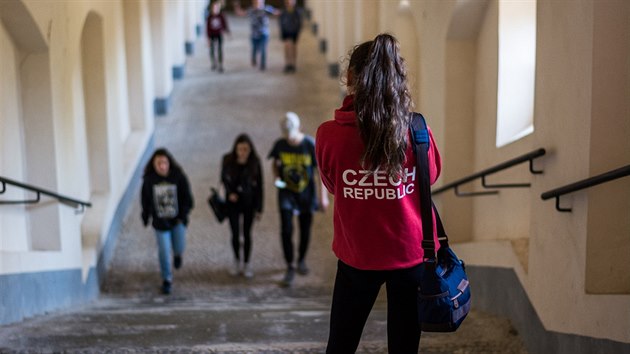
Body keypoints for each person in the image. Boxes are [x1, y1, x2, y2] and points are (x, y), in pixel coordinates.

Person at [315, 34, 442, 353]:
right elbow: (432, 177)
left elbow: (334, 186)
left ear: (350, 78)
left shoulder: (330, 136)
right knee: (404, 346)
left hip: (358, 256)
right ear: (397, 78)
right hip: (411, 255)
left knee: (341, 343)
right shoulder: (417, 131)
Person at [268, 112, 328, 287]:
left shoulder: (309, 144)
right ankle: (290, 265)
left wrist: (322, 197)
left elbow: (320, 172)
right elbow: (274, 162)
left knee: (305, 229)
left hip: (306, 195)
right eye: (287, 137)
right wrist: (276, 177)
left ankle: (301, 259)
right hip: (286, 193)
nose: (290, 140)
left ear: (299, 128)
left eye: (292, 137)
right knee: (286, 229)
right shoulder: (280, 145)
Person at [141, 148, 194, 295]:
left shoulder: (179, 177)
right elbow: (145, 200)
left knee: (179, 246)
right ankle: (167, 279)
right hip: (160, 223)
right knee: (164, 250)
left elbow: (188, 198)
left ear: (169, 163)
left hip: (177, 221)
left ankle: (177, 255)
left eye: (164, 162)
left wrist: (182, 217)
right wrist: (146, 216)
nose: (162, 166)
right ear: (154, 164)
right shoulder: (149, 180)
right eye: (158, 163)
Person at [220, 133, 263, 278]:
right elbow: (223, 180)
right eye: (240, 149)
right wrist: (229, 193)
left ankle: (247, 262)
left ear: (250, 149)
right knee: (235, 233)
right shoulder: (227, 160)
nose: (242, 152)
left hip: (249, 203)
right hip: (233, 203)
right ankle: (236, 260)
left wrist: (259, 208)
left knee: (246, 234)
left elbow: (260, 187)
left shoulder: (255, 162)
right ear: (235, 149)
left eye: (245, 149)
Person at [234, 0, 279, 71]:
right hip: (254, 34)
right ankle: (254, 59)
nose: (257, 4)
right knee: (255, 48)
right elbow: (240, 13)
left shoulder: (266, 9)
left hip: (264, 33)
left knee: (263, 49)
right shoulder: (251, 10)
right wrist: (236, 6)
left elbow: (276, 12)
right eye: (256, 2)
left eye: (259, 2)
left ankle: (263, 64)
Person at [206, 0, 230, 72]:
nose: (215, 10)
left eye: (217, 8)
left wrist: (227, 31)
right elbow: (207, 28)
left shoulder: (221, 16)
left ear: (219, 9)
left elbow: (225, 24)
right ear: (211, 9)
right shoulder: (209, 17)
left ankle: (220, 64)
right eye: (214, 8)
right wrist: (208, 38)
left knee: (220, 49)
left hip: (219, 34)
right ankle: (213, 62)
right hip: (212, 35)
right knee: (212, 49)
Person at [279, 0, 302, 73]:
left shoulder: (297, 12)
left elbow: (299, 23)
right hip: (286, 31)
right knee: (287, 47)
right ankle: (287, 64)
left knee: (293, 47)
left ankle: (293, 64)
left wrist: (297, 31)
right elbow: (281, 22)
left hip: (294, 32)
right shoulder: (283, 11)